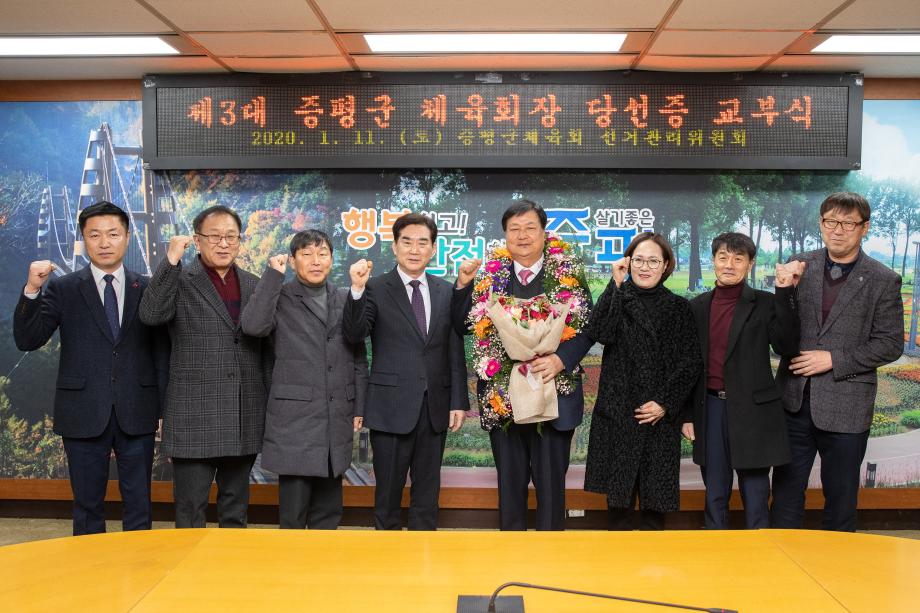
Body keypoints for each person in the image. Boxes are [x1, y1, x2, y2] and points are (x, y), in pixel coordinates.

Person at [13, 201, 168, 536]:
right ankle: (89, 568)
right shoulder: (63, 287)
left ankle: (140, 565)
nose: (104, 242)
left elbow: (161, 353)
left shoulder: (148, 288)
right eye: (94, 235)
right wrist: (32, 289)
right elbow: (28, 339)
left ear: (127, 237)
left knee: (140, 505)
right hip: (82, 411)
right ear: (83, 240)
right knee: (86, 507)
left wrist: (163, 409)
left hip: (137, 409)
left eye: (113, 234)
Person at [451, 199, 594, 531]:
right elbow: (462, 325)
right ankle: (510, 554)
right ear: (505, 236)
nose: (522, 235)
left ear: (544, 233)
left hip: (554, 395)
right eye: (514, 229)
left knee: (551, 490)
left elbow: (589, 327)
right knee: (510, 488)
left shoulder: (568, 273)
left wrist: (561, 359)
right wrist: (463, 286)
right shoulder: (490, 275)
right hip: (504, 398)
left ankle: (551, 555)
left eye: (530, 228)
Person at [771, 192, 903, 532]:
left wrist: (833, 359)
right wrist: (783, 290)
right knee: (784, 498)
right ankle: (780, 560)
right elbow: (781, 334)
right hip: (793, 403)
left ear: (864, 228)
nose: (838, 230)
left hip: (847, 407)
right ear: (821, 223)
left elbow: (890, 344)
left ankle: (838, 562)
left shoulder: (883, 279)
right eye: (831, 222)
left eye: (848, 223)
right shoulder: (800, 265)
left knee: (841, 501)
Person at [139, 205, 270, 528]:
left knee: (235, 512)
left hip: (243, 413)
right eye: (214, 237)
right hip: (193, 416)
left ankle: (230, 562)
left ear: (240, 241)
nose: (223, 244)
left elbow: (267, 352)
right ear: (197, 240)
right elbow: (151, 315)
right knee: (189, 512)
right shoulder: (180, 279)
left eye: (231, 237)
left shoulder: (255, 284)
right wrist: (170, 261)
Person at [342, 212, 469, 530]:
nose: (414, 249)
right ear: (395, 247)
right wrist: (356, 289)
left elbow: (454, 347)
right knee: (387, 496)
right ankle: (386, 556)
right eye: (407, 242)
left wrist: (458, 401)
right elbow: (355, 335)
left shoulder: (445, 290)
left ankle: (423, 554)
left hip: (434, 407)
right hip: (390, 407)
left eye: (422, 243)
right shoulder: (374, 287)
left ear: (434, 249)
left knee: (427, 496)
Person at [241, 229, 368, 529]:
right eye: (306, 254)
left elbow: (358, 356)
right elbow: (253, 327)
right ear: (293, 260)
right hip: (294, 419)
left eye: (322, 254)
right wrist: (273, 276)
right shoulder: (280, 296)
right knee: (294, 515)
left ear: (332, 259)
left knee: (329, 512)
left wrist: (359, 406)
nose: (315, 261)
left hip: (336, 415)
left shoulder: (344, 297)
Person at [682, 232, 801, 529]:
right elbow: (688, 366)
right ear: (713, 261)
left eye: (738, 259)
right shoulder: (697, 307)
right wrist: (687, 415)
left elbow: (786, 346)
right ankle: (717, 547)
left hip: (753, 411)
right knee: (715, 491)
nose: (729, 265)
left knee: (756, 493)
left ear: (750, 263)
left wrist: (785, 290)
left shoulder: (766, 302)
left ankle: (760, 550)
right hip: (710, 408)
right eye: (723, 257)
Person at [584, 232, 702, 530]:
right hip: (619, 413)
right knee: (618, 508)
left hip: (657, 415)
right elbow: (599, 332)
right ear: (627, 262)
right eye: (638, 260)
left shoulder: (678, 307)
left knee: (654, 508)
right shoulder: (618, 296)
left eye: (653, 261)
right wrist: (615, 284)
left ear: (666, 266)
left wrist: (664, 403)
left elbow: (690, 363)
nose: (645, 267)